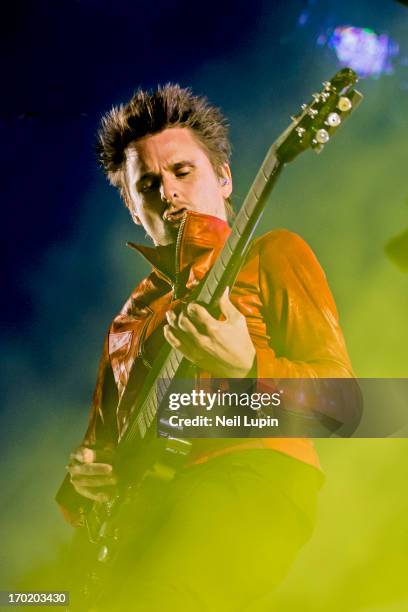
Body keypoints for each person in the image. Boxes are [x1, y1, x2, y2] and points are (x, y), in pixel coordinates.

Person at [57, 85, 361, 611]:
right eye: (147, 184)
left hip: (251, 480)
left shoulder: (272, 254)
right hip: (145, 517)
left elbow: (348, 408)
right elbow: (99, 454)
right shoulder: (126, 325)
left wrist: (248, 366)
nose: (168, 193)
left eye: (182, 171)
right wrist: (86, 480)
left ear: (224, 178)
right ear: (132, 207)